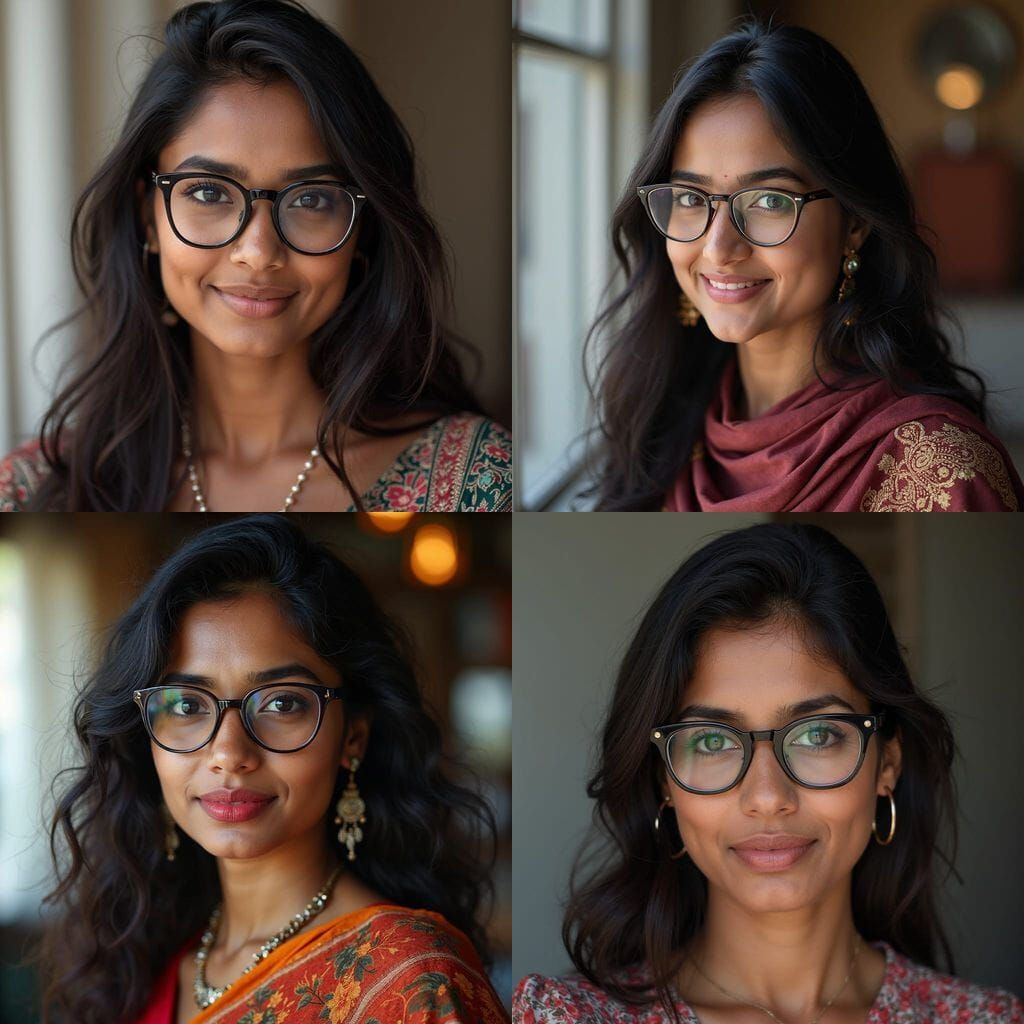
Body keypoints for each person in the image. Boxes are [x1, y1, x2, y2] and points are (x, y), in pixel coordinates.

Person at [0, 0, 511, 511]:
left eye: (312, 199)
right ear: (147, 217)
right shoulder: (30, 492)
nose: (258, 252)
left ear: (363, 231)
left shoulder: (481, 482)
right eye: (209, 193)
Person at [514, 524, 1023, 1022]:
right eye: (712, 741)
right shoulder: (566, 1016)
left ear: (886, 763)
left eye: (816, 735)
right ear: (663, 780)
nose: (767, 797)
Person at [35, 515, 509, 1023]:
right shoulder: (142, 962)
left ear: (353, 736)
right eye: (186, 704)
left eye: (283, 704)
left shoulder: (404, 976)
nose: (228, 752)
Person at [584, 18, 1022, 511]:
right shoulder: (658, 424)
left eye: (770, 201)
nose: (718, 248)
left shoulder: (945, 475)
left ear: (854, 222)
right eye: (690, 196)